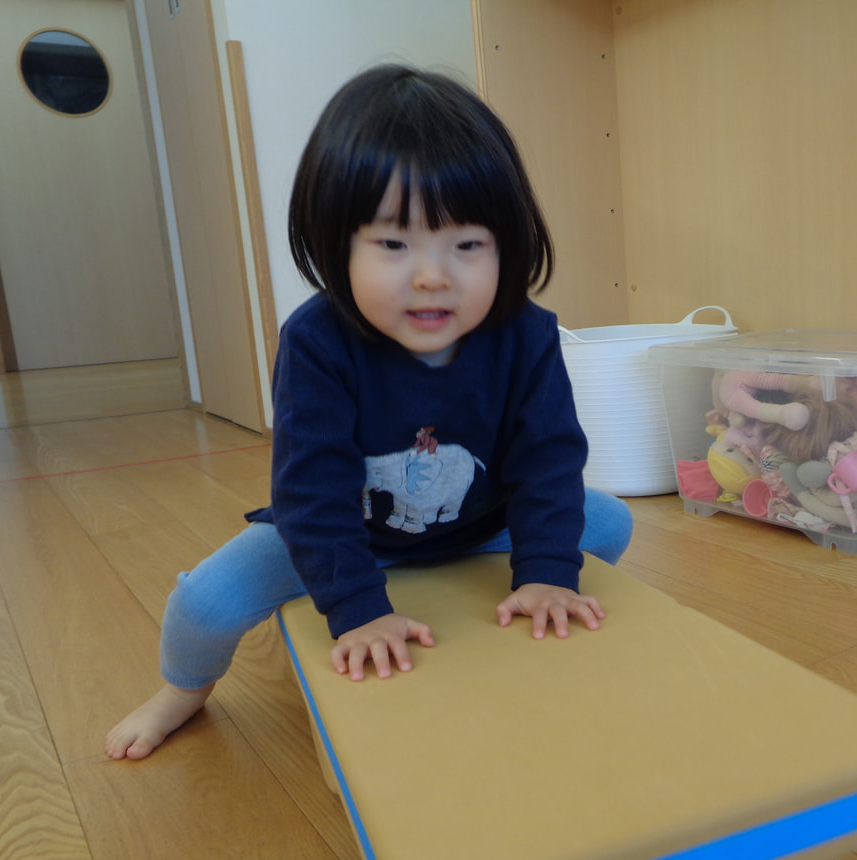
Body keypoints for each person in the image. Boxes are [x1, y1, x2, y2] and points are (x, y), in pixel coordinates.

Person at [105, 64, 632, 761]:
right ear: (339, 243)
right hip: (344, 532)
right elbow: (312, 492)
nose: (432, 276)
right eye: (393, 244)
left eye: (467, 245)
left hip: (475, 525)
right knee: (203, 604)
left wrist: (546, 576)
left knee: (608, 521)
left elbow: (549, 462)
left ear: (505, 243)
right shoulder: (316, 342)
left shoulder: (527, 334)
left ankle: (466, 577)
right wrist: (357, 610)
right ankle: (183, 692)